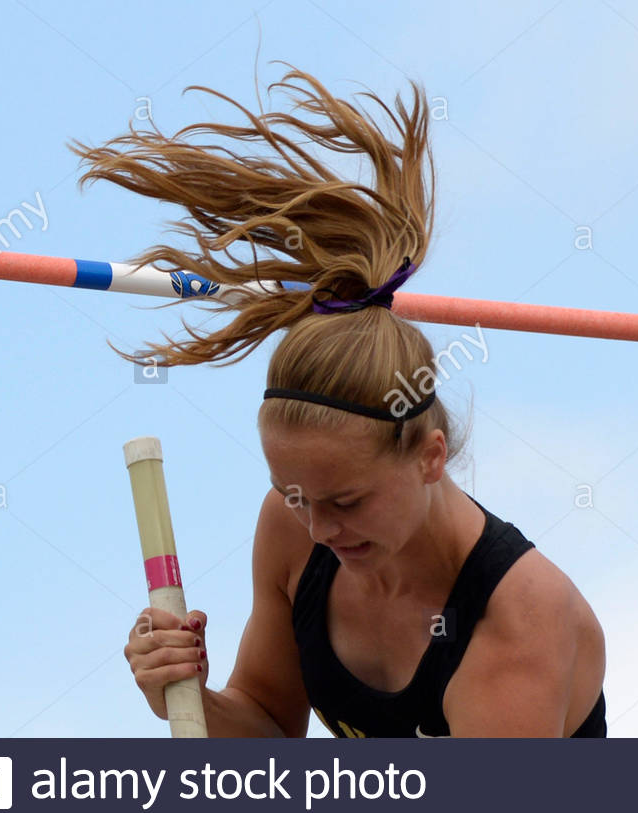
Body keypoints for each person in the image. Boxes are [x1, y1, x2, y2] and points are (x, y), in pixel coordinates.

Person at [106, 66, 606, 737]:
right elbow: (267, 727)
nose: (319, 530)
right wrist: (186, 698)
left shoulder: (519, 618)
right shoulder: (290, 528)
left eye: (346, 502)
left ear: (430, 457)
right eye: (297, 496)